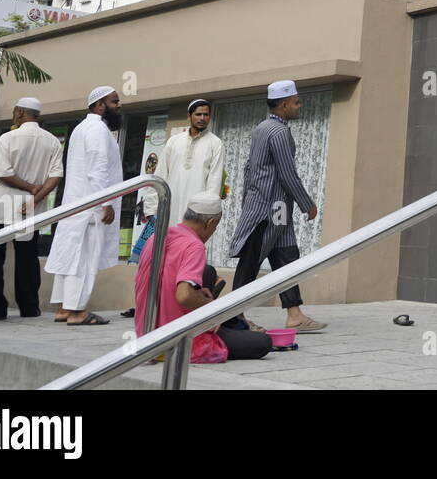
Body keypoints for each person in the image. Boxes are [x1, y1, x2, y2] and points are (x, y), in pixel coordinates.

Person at [228, 80, 325, 333]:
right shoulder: (279, 132)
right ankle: (232, 315)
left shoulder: (262, 128)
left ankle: (295, 314)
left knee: (286, 257)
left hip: (275, 207)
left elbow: (249, 168)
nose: (299, 106)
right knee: (251, 261)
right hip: (269, 209)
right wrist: (307, 203)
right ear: (283, 105)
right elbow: (287, 173)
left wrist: (246, 199)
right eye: (296, 102)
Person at [134, 191, 272, 362]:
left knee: (207, 272)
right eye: (214, 228)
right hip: (174, 338)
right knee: (262, 343)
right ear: (210, 223)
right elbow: (183, 295)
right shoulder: (194, 246)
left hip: (146, 330)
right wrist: (210, 308)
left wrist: (199, 294)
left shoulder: (157, 236)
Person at [0, 97, 63, 320]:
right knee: (27, 259)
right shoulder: (53, 141)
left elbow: (4, 174)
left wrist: (30, 187)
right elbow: (55, 176)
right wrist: (36, 197)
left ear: (20, 112)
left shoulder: (7, 138)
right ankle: (29, 308)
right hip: (29, 209)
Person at [45, 85, 123, 326]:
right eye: (114, 102)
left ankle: (62, 308)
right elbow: (97, 169)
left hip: (75, 205)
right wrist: (106, 202)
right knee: (83, 259)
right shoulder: (98, 129)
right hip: (91, 206)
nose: (118, 106)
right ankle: (77, 312)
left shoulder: (81, 127)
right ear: (100, 105)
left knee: (69, 257)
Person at [137, 99, 224, 247]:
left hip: (196, 213)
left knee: (189, 251)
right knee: (165, 250)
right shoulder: (174, 141)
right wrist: (151, 208)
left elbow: (214, 181)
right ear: (189, 116)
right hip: (170, 207)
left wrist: (208, 214)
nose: (202, 118)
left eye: (206, 115)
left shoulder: (215, 143)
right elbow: (160, 175)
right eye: (198, 114)